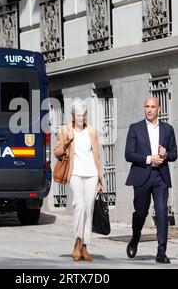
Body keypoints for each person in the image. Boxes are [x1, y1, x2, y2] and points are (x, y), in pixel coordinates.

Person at [124, 97, 178, 264]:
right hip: (141, 176)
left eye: (152, 107)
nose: (149, 109)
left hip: (160, 177)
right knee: (141, 213)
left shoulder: (168, 129)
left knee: (162, 213)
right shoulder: (135, 128)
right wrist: (149, 159)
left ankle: (161, 252)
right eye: (146, 106)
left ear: (159, 109)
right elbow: (128, 154)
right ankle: (135, 237)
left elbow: (174, 154)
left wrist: (166, 155)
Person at [53, 98, 105, 262]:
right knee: (79, 204)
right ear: (73, 116)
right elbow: (57, 152)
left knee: (89, 209)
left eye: (83, 115)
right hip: (75, 173)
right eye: (78, 115)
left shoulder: (92, 131)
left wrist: (100, 177)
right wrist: (67, 140)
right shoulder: (65, 130)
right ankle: (77, 241)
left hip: (91, 173)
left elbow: (96, 155)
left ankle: (85, 247)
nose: (81, 118)